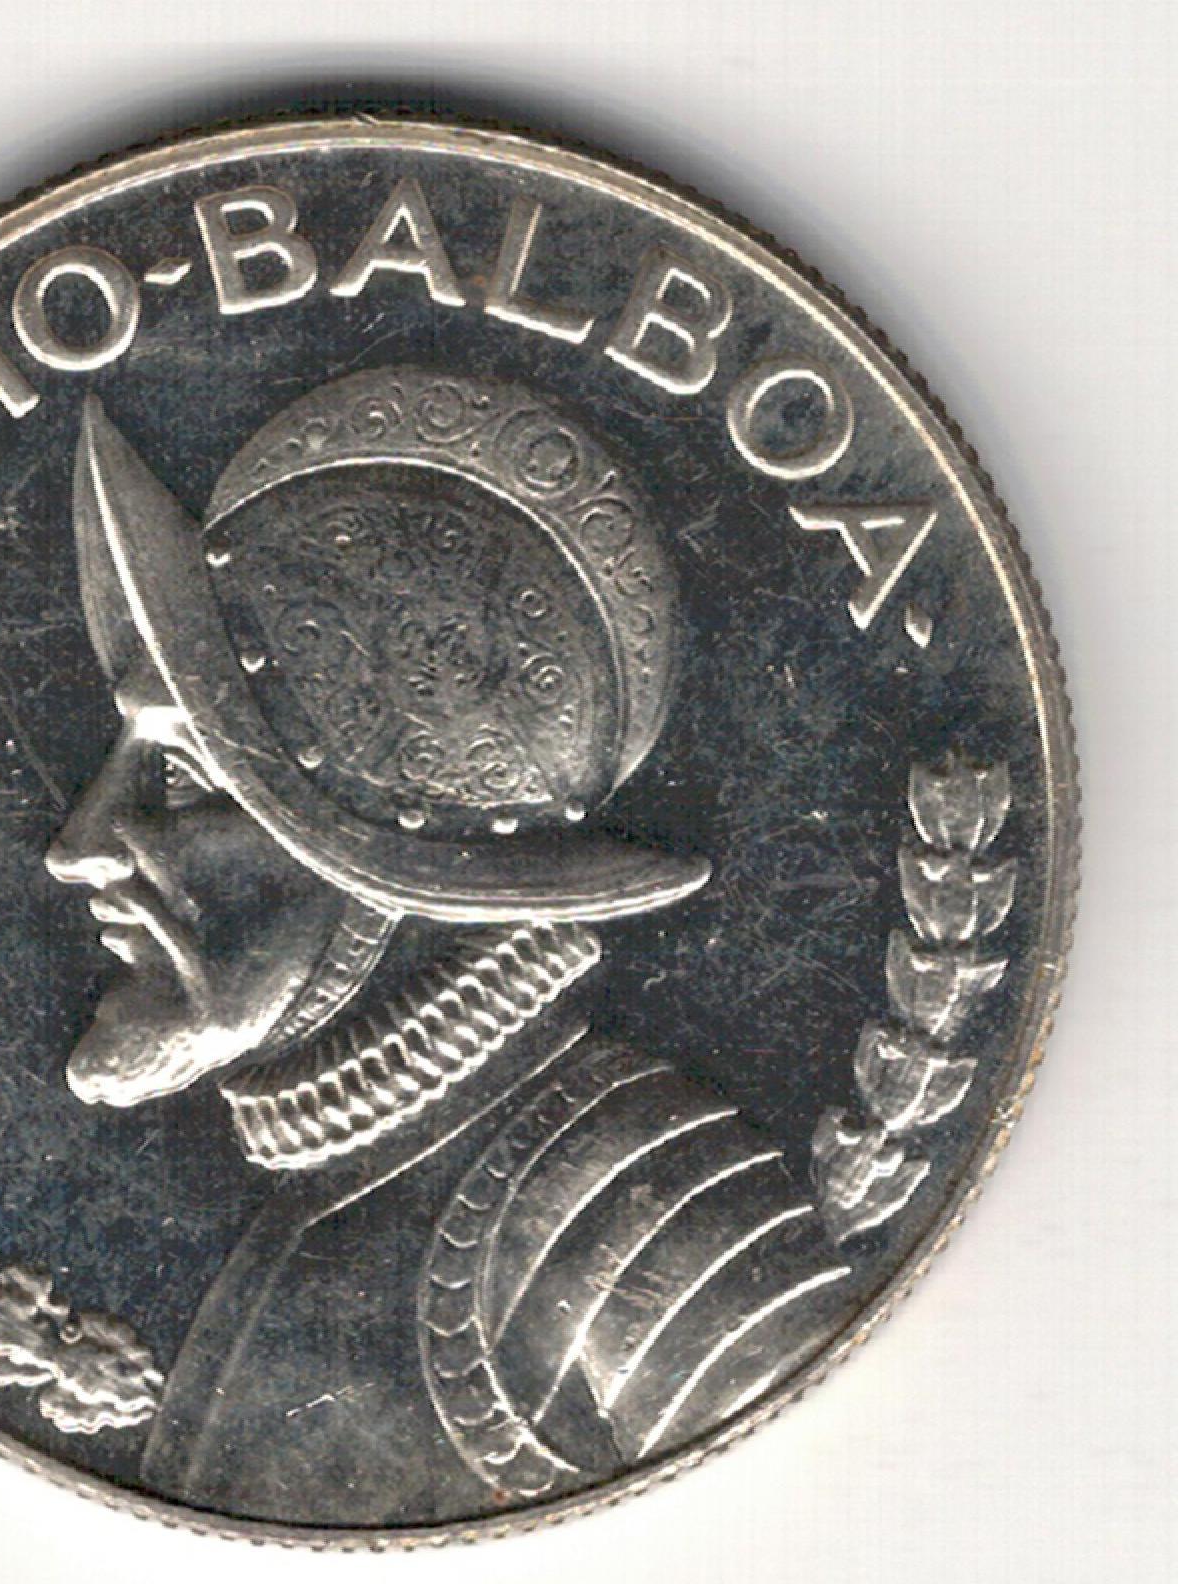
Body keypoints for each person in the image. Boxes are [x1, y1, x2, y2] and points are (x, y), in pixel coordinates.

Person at [47, 369, 849, 1525]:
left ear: (382, 863)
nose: (78, 849)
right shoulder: (342, 1183)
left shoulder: (640, 1208)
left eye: (184, 778)